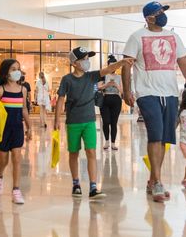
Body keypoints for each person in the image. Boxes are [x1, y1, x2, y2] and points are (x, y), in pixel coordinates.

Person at [122, 1, 186, 204]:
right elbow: (126, 66)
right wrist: (127, 90)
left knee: (164, 138)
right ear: (148, 17)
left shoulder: (174, 37)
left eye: (163, 12)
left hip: (171, 93)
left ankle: (152, 179)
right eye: (159, 12)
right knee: (155, 134)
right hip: (147, 93)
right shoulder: (137, 37)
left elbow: (183, 62)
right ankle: (157, 181)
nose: (163, 15)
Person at [54, 47, 133, 199]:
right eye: (83, 59)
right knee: (74, 153)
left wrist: (122, 62)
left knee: (91, 152)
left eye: (87, 58)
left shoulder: (91, 76)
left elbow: (108, 68)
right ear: (74, 63)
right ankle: (76, 183)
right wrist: (57, 119)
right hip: (73, 122)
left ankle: (93, 187)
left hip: (89, 121)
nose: (87, 61)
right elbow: (60, 99)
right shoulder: (67, 80)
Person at [0, 58, 31, 204]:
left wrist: (29, 127)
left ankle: (16, 190)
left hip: (17, 128)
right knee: (4, 160)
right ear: (6, 72)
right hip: (3, 130)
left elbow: (24, 109)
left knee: (17, 158)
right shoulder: (0, 90)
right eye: (13, 69)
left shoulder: (23, 90)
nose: (17, 72)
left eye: (18, 69)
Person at [100, 54, 124, 150]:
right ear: (108, 65)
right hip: (105, 99)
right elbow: (99, 87)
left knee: (114, 122)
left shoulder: (119, 77)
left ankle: (113, 143)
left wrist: (115, 85)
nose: (113, 67)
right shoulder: (103, 75)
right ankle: (106, 142)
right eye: (111, 65)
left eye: (115, 65)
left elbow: (122, 91)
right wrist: (107, 84)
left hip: (116, 100)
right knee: (106, 122)